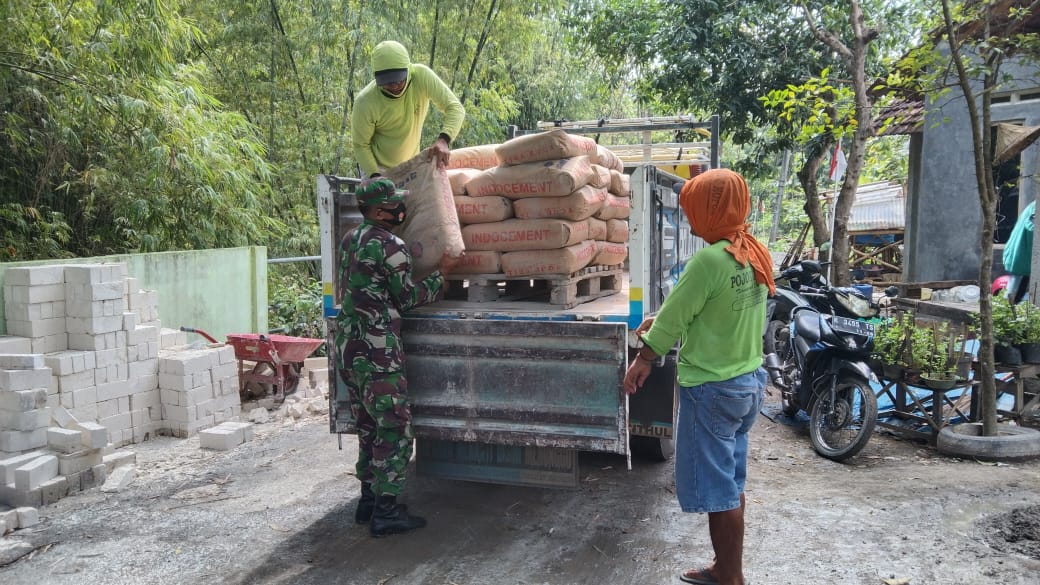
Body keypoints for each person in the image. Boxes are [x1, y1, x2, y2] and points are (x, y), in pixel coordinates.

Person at [623, 169, 775, 585]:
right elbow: (721, 313)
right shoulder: (753, 253)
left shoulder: (709, 261)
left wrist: (644, 359)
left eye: (694, 211)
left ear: (714, 209)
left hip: (712, 390)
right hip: (746, 384)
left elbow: (673, 319)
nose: (690, 222)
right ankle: (725, 568)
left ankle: (731, 576)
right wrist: (669, 320)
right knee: (730, 482)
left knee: (718, 490)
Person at [335, 177, 460, 537]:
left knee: (368, 426)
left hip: (347, 345)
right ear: (377, 211)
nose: (398, 209)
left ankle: (368, 501)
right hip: (376, 350)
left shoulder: (348, 240)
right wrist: (442, 276)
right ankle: (387, 512)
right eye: (392, 204)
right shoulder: (392, 246)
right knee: (396, 428)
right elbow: (406, 299)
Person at [351, 40, 465, 176]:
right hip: (376, 167)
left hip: (410, 165)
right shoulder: (365, 102)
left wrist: (443, 140)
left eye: (399, 79)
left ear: (408, 69)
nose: (394, 86)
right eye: (388, 82)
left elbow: (455, 108)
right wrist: (374, 176)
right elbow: (361, 145)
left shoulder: (421, 77)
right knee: (379, 194)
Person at [1002, 199, 1034, 303]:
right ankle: (1007, 315)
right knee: (1014, 295)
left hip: (1023, 256)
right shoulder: (1036, 206)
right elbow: (1032, 226)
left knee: (1017, 292)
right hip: (1022, 256)